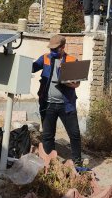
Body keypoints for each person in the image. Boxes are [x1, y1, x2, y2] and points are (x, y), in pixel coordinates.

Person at [32, 35, 83, 166]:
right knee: (48, 136)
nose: (52, 51)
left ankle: (77, 163)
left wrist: (68, 84)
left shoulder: (71, 60)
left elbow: (77, 84)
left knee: (74, 134)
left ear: (62, 47)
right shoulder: (45, 58)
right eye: (51, 48)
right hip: (48, 104)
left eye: (55, 48)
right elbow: (32, 67)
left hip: (66, 105)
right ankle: (49, 162)